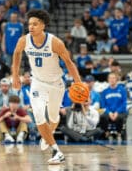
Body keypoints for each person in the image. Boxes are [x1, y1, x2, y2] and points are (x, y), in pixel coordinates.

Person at [12, 9, 82, 164]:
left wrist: (78, 82)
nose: (31, 27)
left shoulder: (55, 42)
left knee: (54, 117)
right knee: (37, 112)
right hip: (37, 82)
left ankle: (47, 135)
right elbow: (16, 54)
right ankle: (56, 150)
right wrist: (15, 75)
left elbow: (69, 63)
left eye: (35, 24)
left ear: (43, 25)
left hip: (56, 84)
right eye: (29, 24)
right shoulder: (23, 40)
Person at [99, 72, 127, 141]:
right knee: (102, 116)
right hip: (109, 112)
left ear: (116, 79)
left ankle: (119, 133)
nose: (112, 80)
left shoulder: (122, 90)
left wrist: (117, 112)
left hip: (119, 111)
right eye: (110, 78)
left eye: (113, 78)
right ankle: (106, 133)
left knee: (119, 117)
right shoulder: (104, 92)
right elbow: (103, 105)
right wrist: (109, 113)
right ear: (108, 80)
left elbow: (124, 103)